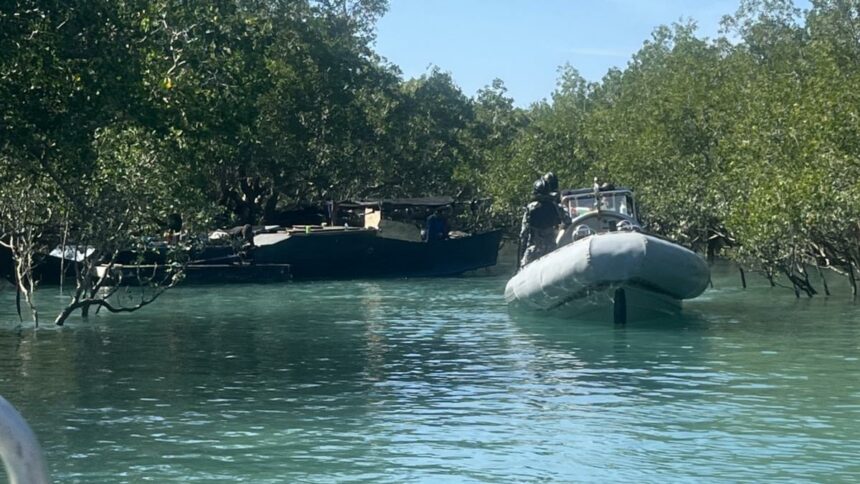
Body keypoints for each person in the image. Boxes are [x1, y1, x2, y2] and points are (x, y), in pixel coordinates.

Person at [519, 178, 566, 268]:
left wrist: (521, 257)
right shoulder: (554, 206)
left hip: (534, 250)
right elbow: (567, 221)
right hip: (551, 249)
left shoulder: (531, 208)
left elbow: (524, 233)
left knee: (524, 267)